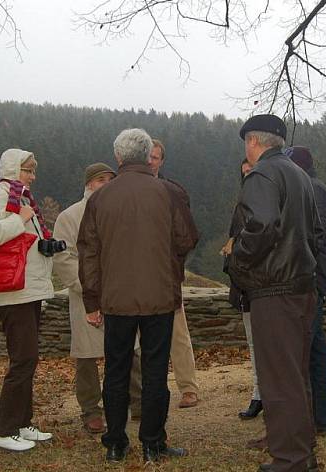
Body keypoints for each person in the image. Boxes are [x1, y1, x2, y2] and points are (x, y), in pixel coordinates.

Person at [78, 129, 198, 463]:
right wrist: (165, 259)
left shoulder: (100, 198)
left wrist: (92, 299)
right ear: (148, 156)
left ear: (118, 157)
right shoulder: (169, 193)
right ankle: (153, 443)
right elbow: (187, 239)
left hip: (115, 298)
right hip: (159, 295)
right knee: (155, 372)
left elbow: (88, 251)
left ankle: (115, 443)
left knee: (116, 370)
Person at [228, 114, 322, 472]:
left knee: (278, 378)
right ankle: (301, 449)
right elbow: (314, 231)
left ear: (253, 141)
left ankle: (290, 459)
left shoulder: (263, 175)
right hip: (300, 286)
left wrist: (238, 261)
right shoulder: (299, 175)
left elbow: (261, 226)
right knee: (295, 374)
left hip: (274, 289)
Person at [0, 148, 55, 452]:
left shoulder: (21, 199)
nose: (32, 177)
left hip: (27, 289)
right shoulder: (1, 196)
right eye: (27, 171)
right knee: (23, 359)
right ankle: (3, 430)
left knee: (28, 359)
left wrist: (45, 245)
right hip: (12, 292)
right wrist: (19, 221)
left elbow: (23, 243)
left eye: (33, 172)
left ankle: (22, 423)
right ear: (12, 170)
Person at [53, 163, 143, 433]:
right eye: (100, 179)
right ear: (89, 183)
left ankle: (138, 402)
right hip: (85, 295)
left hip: (120, 292)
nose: (106, 184)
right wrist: (88, 288)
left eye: (110, 179)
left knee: (131, 350)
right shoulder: (69, 217)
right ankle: (91, 409)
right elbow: (64, 258)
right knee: (87, 357)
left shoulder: (122, 212)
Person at [285, 146, 326, 436]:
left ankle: (307, 420)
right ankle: (322, 419)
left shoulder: (310, 189)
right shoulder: (318, 187)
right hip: (319, 272)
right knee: (316, 347)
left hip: (311, 274)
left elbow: (312, 237)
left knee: (304, 350)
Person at [148, 138, 200, 408]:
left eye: (155, 157)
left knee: (178, 334)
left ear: (162, 161)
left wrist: (173, 262)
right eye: (148, 156)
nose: (151, 161)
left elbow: (186, 236)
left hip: (167, 274)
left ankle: (188, 388)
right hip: (138, 275)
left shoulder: (173, 193)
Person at [221, 158, 263, 420]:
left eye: (252, 171)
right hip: (246, 288)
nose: (248, 176)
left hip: (265, 287)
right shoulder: (241, 206)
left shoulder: (268, 203)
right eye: (244, 172)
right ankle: (259, 394)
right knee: (253, 343)